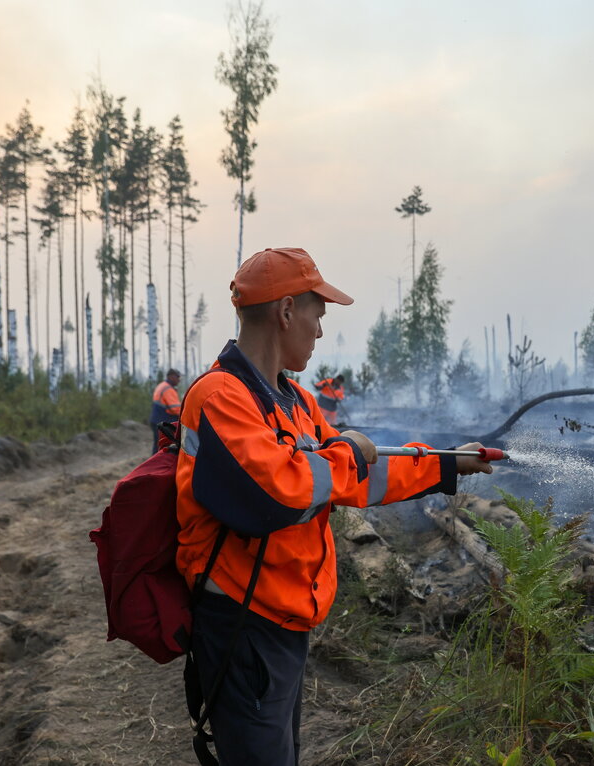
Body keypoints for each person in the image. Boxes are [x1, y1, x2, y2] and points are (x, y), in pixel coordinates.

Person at [174, 247, 494, 766]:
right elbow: (274, 496)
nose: (319, 332)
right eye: (316, 316)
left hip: (285, 619)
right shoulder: (221, 398)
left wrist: (445, 464)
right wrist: (346, 451)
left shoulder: (295, 402)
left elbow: (359, 478)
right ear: (284, 313)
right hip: (241, 620)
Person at [149, 368, 182, 450]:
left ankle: (155, 461)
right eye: (177, 377)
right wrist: (186, 414)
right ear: (171, 377)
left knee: (158, 445)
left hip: (157, 420)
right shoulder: (168, 389)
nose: (179, 379)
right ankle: (157, 462)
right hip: (162, 422)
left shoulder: (162, 385)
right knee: (161, 447)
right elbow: (175, 409)